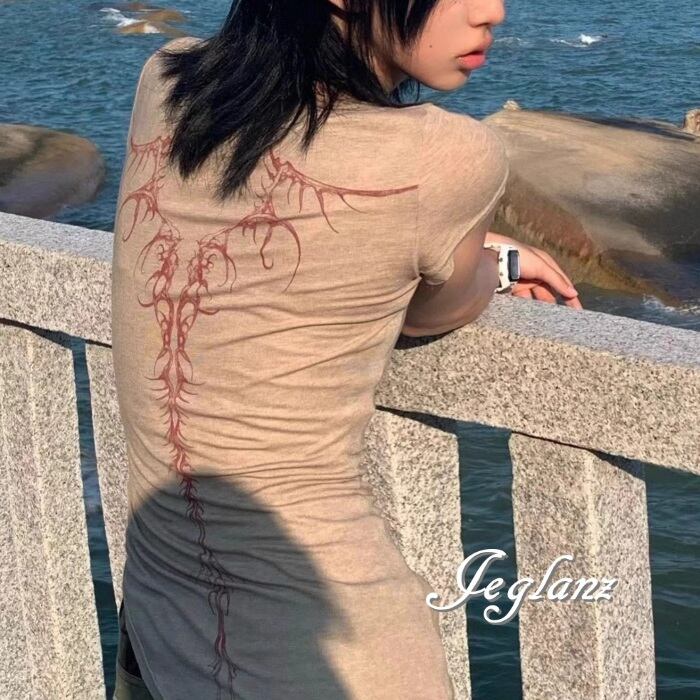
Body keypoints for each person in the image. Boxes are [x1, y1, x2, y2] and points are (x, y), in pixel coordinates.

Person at [110, 1, 582, 699]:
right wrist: (497, 263)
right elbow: (434, 311)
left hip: (160, 632)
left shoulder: (168, 81)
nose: (494, 11)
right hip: (332, 656)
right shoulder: (443, 154)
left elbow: (264, 202)